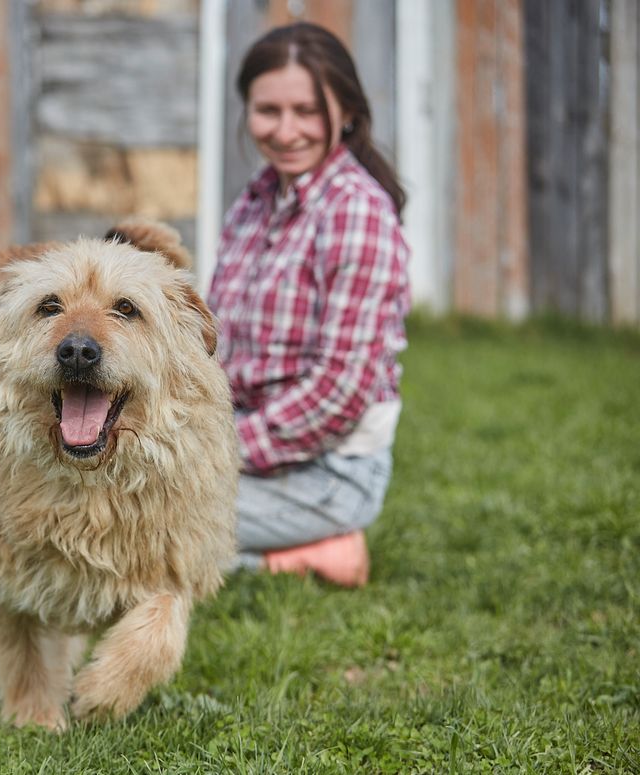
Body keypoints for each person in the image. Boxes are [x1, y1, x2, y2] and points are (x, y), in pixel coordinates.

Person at [207, 22, 411, 587]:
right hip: (241, 442)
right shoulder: (254, 202)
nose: (287, 130)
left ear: (345, 111)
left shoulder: (356, 213)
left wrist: (209, 450)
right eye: (268, 110)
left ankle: (310, 556)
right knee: (107, 496)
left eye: (307, 110)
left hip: (327, 473)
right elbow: (213, 342)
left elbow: (339, 391)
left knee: (138, 522)